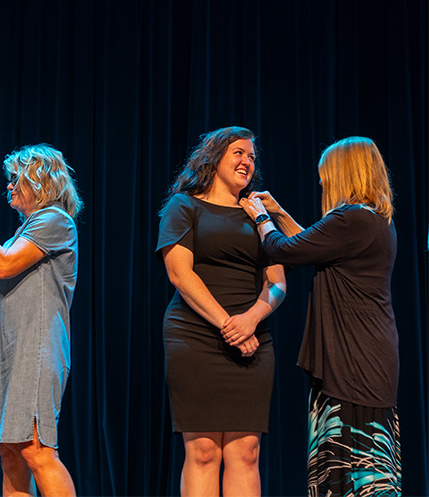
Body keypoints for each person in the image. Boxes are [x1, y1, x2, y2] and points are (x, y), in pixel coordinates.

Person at [239, 136, 400, 496]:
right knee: (366, 465)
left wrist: (262, 217)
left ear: (344, 173)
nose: (323, 182)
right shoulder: (372, 220)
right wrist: (279, 213)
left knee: (355, 467)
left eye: (326, 174)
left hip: (354, 357)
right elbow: (313, 245)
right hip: (370, 352)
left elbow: (284, 249)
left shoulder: (350, 219)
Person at [155, 126, 287, 496]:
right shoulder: (185, 206)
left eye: (252, 157)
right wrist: (229, 325)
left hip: (252, 336)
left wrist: (250, 321)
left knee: (246, 451)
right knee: (203, 450)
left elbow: (278, 282)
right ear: (214, 158)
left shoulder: (257, 216)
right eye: (239, 153)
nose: (247, 161)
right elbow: (179, 273)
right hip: (194, 336)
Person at [0, 143, 81, 497]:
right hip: (8, 354)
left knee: (37, 451)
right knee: (10, 451)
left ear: (38, 180)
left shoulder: (54, 220)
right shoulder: (19, 235)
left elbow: (5, 264)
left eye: (15, 179)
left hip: (36, 350)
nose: (8, 187)